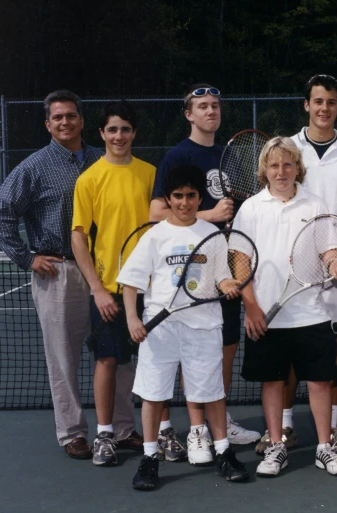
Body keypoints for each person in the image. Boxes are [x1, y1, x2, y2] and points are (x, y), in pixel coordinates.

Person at [254, 74, 337, 455]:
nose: (324, 108)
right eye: (317, 101)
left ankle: (336, 423)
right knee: (289, 346)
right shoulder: (288, 150)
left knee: (333, 343)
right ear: (306, 105)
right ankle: (286, 426)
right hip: (290, 271)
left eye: (331, 102)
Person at [0, 90, 108, 460]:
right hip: (59, 272)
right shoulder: (33, 167)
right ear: (48, 125)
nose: (66, 122)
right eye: (58, 118)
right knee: (63, 357)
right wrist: (26, 258)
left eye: (72, 115)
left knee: (114, 354)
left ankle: (118, 428)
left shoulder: (104, 161)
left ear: (82, 121)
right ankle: (72, 432)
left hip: (105, 274)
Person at [119, 165, 249, 489]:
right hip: (160, 329)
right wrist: (134, 319)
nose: (184, 202)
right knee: (153, 395)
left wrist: (229, 283)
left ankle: (223, 452)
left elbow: (221, 276)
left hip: (204, 326)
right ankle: (149, 459)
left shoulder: (213, 235)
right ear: (168, 198)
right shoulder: (154, 236)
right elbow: (130, 283)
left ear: (198, 197)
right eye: (178, 196)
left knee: (213, 393)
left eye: (191, 196)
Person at [149, 83, 260, 456]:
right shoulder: (176, 157)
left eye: (215, 105)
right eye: (202, 107)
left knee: (224, 348)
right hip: (192, 270)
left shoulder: (228, 155)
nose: (211, 111)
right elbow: (156, 214)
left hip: (227, 266)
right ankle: (197, 428)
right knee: (192, 349)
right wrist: (209, 216)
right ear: (189, 115)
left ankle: (220, 422)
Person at [233, 136, 337, 478]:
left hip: (311, 312)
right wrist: (252, 307)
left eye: (287, 164)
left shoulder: (315, 205)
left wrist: (334, 265)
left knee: (319, 381)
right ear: (264, 171)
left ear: (298, 169)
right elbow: (240, 260)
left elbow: (327, 250)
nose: (281, 171)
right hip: (266, 316)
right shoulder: (252, 209)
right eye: (273, 165)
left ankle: (324, 447)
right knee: (272, 382)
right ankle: (276, 446)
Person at [71, 101, 154, 466]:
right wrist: (98, 288)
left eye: (125, 129)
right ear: (101, 134)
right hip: (110, 289)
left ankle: (152, 431)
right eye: (112, 130)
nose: (119, 136)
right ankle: (105, 433)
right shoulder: (88, 179)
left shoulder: (150, 173)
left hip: (151, 288)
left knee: (151, 362)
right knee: (107, 360)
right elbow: (79, 238)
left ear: (134, 133)